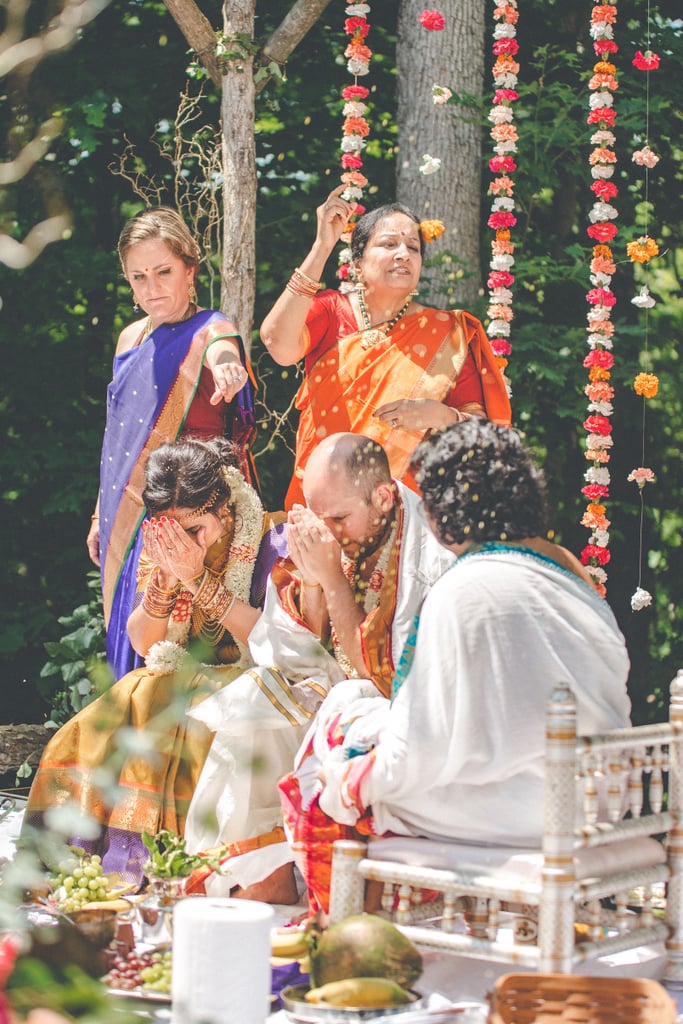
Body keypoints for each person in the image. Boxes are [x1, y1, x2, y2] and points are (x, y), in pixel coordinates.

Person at [280, 420, 632, 914]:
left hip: (528, 810)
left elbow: (415, 754)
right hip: (601, 802)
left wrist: (348, 775)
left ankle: (351, 935)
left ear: (442, 515)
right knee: (352, 711)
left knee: (329, 763)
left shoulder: (464, 588)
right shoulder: (573, 578)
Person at [182, 432, 454, 897]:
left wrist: (330, 578)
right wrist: (312, 583)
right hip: (335, 695)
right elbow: (296, 647)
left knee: (335, 700)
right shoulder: (340, 530)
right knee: (256, 694)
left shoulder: (426, 558)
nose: (326, 531)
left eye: (339, 517)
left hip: (404, 717)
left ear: (384, 497)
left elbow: (385, 677)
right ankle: (254, 864)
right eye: (316, 516)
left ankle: (299, 872)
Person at [24, 438, 288, 893]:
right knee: (114, 710)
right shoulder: (164, 543)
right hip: (177, 674)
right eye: (175, 530)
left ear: (224, 508)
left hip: (253, 682)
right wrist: (167, 580)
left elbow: (271, 641)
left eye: (194, 529)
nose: (184, 542)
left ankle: (181, 870)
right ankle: (85, 861)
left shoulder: (271, 540)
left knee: (172, 702)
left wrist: (199, 579)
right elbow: (146, 642)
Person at [87, 206, 258, 680]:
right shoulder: (128, 339)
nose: (152, 287)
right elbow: (116, 436)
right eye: (138, 277)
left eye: (163, 271)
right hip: (126, 511)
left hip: (185, 514)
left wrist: (227, 365)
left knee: (179, 644)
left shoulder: (210, 328)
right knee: (127, 632)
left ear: (190, 270)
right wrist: (102, 513)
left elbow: (224, 348)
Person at [260, 186, 512, 508]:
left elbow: (486, 434)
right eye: (389, 244)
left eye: (413, 247)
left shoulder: (447, 334)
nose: (403, 254)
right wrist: (322, 247)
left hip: (407, 514)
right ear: (358, 261)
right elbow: (277, 344)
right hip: (325, 500)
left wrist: (443, 414)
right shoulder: (331, 310)